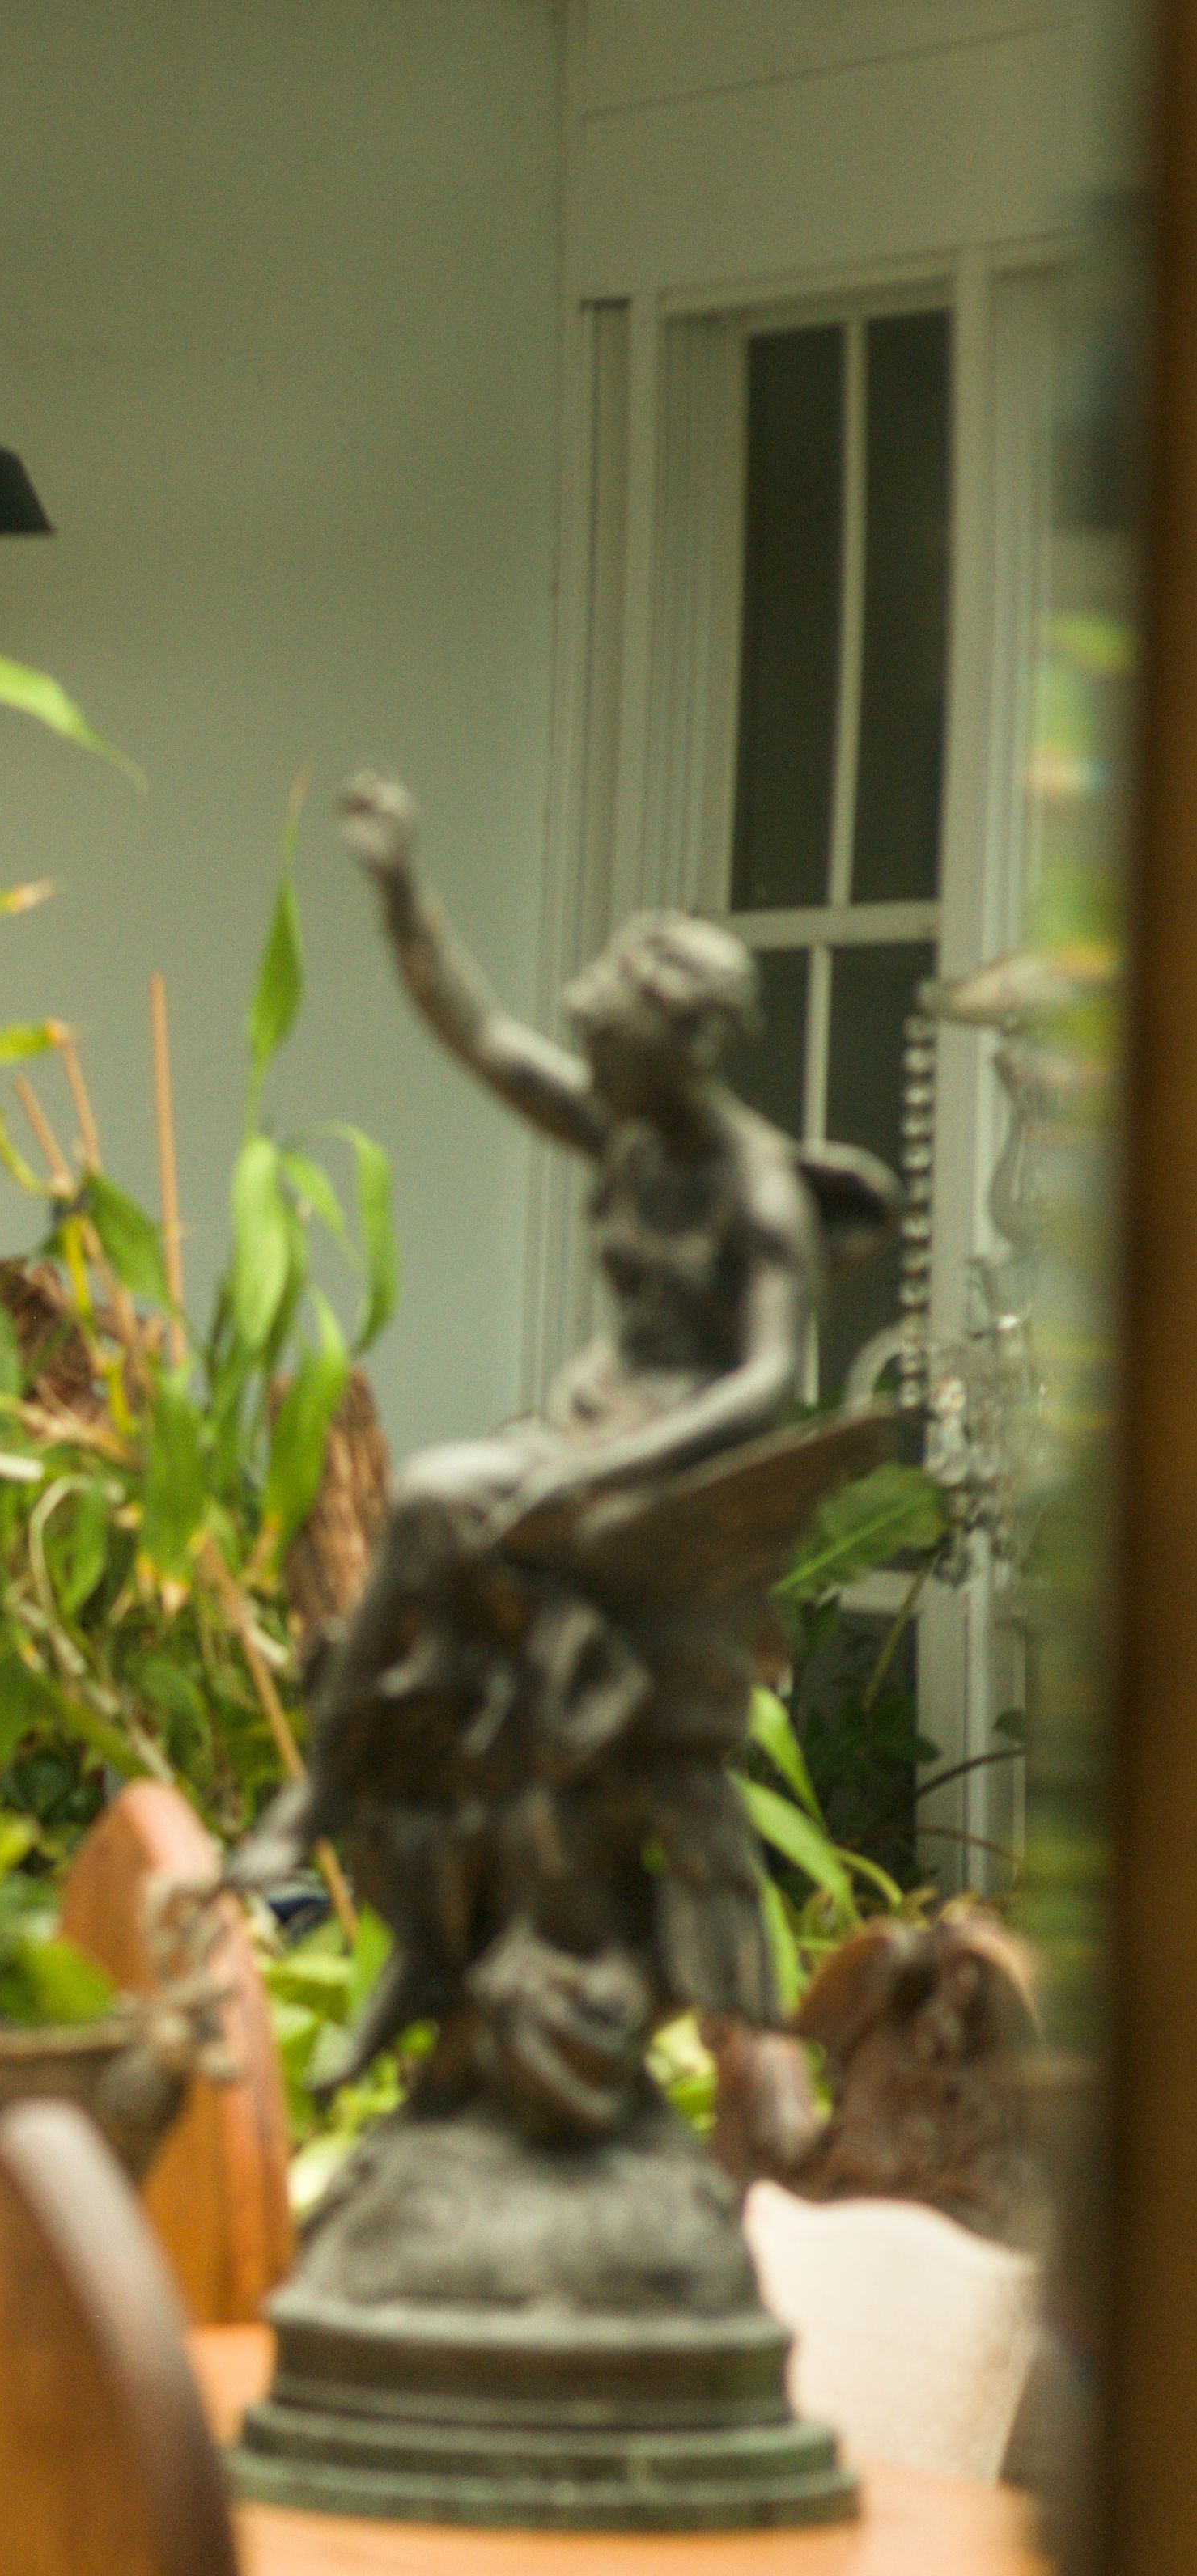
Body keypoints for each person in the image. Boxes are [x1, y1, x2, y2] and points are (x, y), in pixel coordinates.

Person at [240, 774, 893, 2130]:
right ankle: (387, 1866)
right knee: (450, 1627)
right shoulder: (628, 1130)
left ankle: (326, 1802)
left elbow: (771, 1376)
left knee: (435, 1501)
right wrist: (402, 890)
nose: (588, 1062)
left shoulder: (753, 1187)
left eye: (612, 1039)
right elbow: (480, 1036)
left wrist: (615, 1469)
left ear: (686, 1045)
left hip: (662, 1476)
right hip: (584, 1440)